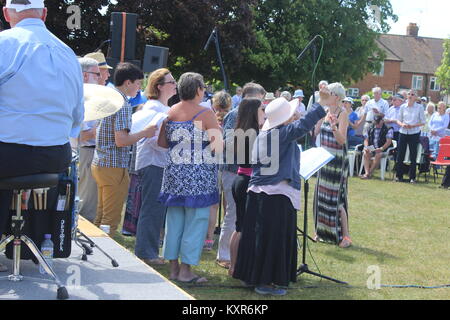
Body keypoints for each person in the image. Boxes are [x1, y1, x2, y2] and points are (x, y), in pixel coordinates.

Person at [0, 0, 84, 272]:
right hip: (55, 157)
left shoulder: (4, 43)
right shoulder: (68, 53)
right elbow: (77, 117)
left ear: (6, 14)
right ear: (45, 14)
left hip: (9, 154)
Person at [233, 96, 326, 296]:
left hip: (262, 192)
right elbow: (302, 126)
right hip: (275, 194)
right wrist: (321, 104)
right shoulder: (280, 133)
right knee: (272, 238)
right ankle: (265, 282)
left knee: (259, 237)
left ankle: (254, 277)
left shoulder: (268, 133)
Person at [157, 72, 223, 283]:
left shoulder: (171, 111)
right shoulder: (205, 113)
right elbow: (217, 146)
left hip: (174, 175)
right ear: (198, 90)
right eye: (203, 87)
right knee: (195, 223)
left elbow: (162, 143)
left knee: (174, 222)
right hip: (198, 178)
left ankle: (174, 269)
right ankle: (186, 271)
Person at [91, 62, 157, 236]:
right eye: (138, 84)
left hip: (101, 162)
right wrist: (145, 132)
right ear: (128, 83)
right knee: (109, 221)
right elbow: (121, 140)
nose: (139, 89)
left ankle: (94, 251)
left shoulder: (110, 99)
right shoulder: (123, 104)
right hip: (113, 165)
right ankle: (104, 255)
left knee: (101, 215)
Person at [216, 82, 266, 271]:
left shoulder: (253, 116)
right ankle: (224, 254)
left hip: (246, 171)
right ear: (252, 97)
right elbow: (227, 144)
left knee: (240, 216)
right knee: (233, 214)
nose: (262, 105)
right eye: (261, 99)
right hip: (233, 170)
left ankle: (237, 255)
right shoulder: (235, 115)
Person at [133, 68, 177, 265]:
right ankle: (146, 253)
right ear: (159, 86)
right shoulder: (154, 109)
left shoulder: (159, 108)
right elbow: (152, 140)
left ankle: (149, 250)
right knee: (152, 208)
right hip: (153, 162)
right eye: (171, 82)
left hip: (156, 162)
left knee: (155, 208)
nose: (175, 85)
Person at [228, 98, 265, 276]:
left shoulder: (242, 130)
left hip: (240, 178)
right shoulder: (255, 134)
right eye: (262, 110)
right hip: (248, 180)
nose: (264, 113)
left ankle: (233, 265)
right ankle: (237, 266)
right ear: (254, 112)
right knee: (245, 228)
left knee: (239, 226)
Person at [313, 83, 351, 248]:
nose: (326, 96)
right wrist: (319, 119)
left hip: (337, 161)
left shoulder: (343, 114)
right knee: (321, 196)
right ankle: (320, 232)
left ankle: (346, 237)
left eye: (328, 94)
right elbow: (315, 132)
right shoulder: (325, 111)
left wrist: (334, 126)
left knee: (336, 198)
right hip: (323, 159)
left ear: (336, 96)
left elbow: (342, 140)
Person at [204, 90, 232, 251]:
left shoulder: (210, 119)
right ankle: (224, 236)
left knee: (212, 204)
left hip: (213, 163)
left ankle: (208, 238)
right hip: (226, 164)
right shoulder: (232, 119)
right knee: (227, 205)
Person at [77, 57, 102, 222]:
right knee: (86, 201)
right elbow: (82, 136)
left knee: (90, 199)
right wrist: (102, 125)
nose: (100, 78)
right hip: (86, 153)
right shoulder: (82, 99)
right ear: (85, 76)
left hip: (90, 152)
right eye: (97, 74)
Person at [395, 90, 425, 183]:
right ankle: (399, 176)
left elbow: (423, 122)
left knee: (413, 155)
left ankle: (412, 177)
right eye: (409, 94)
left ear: (415, 97)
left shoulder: (419, 107)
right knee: (400, 154)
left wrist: (413, 125)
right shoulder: (403, 107)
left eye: (412, 95)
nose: (410, 96)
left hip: (414, 133)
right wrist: (402, 124)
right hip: (403, 132)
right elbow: (398, 120)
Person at [360, 115, 394, 179]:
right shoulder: (370, 127)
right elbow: (366, 139)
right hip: (372, 147)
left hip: (383, 149)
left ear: (382, 121)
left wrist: (381, 148)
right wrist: (367, 147)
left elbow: (388, 142)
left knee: (378, 155)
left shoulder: (389, 128)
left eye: (378, 122)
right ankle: (367, 173)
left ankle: (368, 173)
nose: (377, 124)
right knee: (366, 153)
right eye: (376, 122)